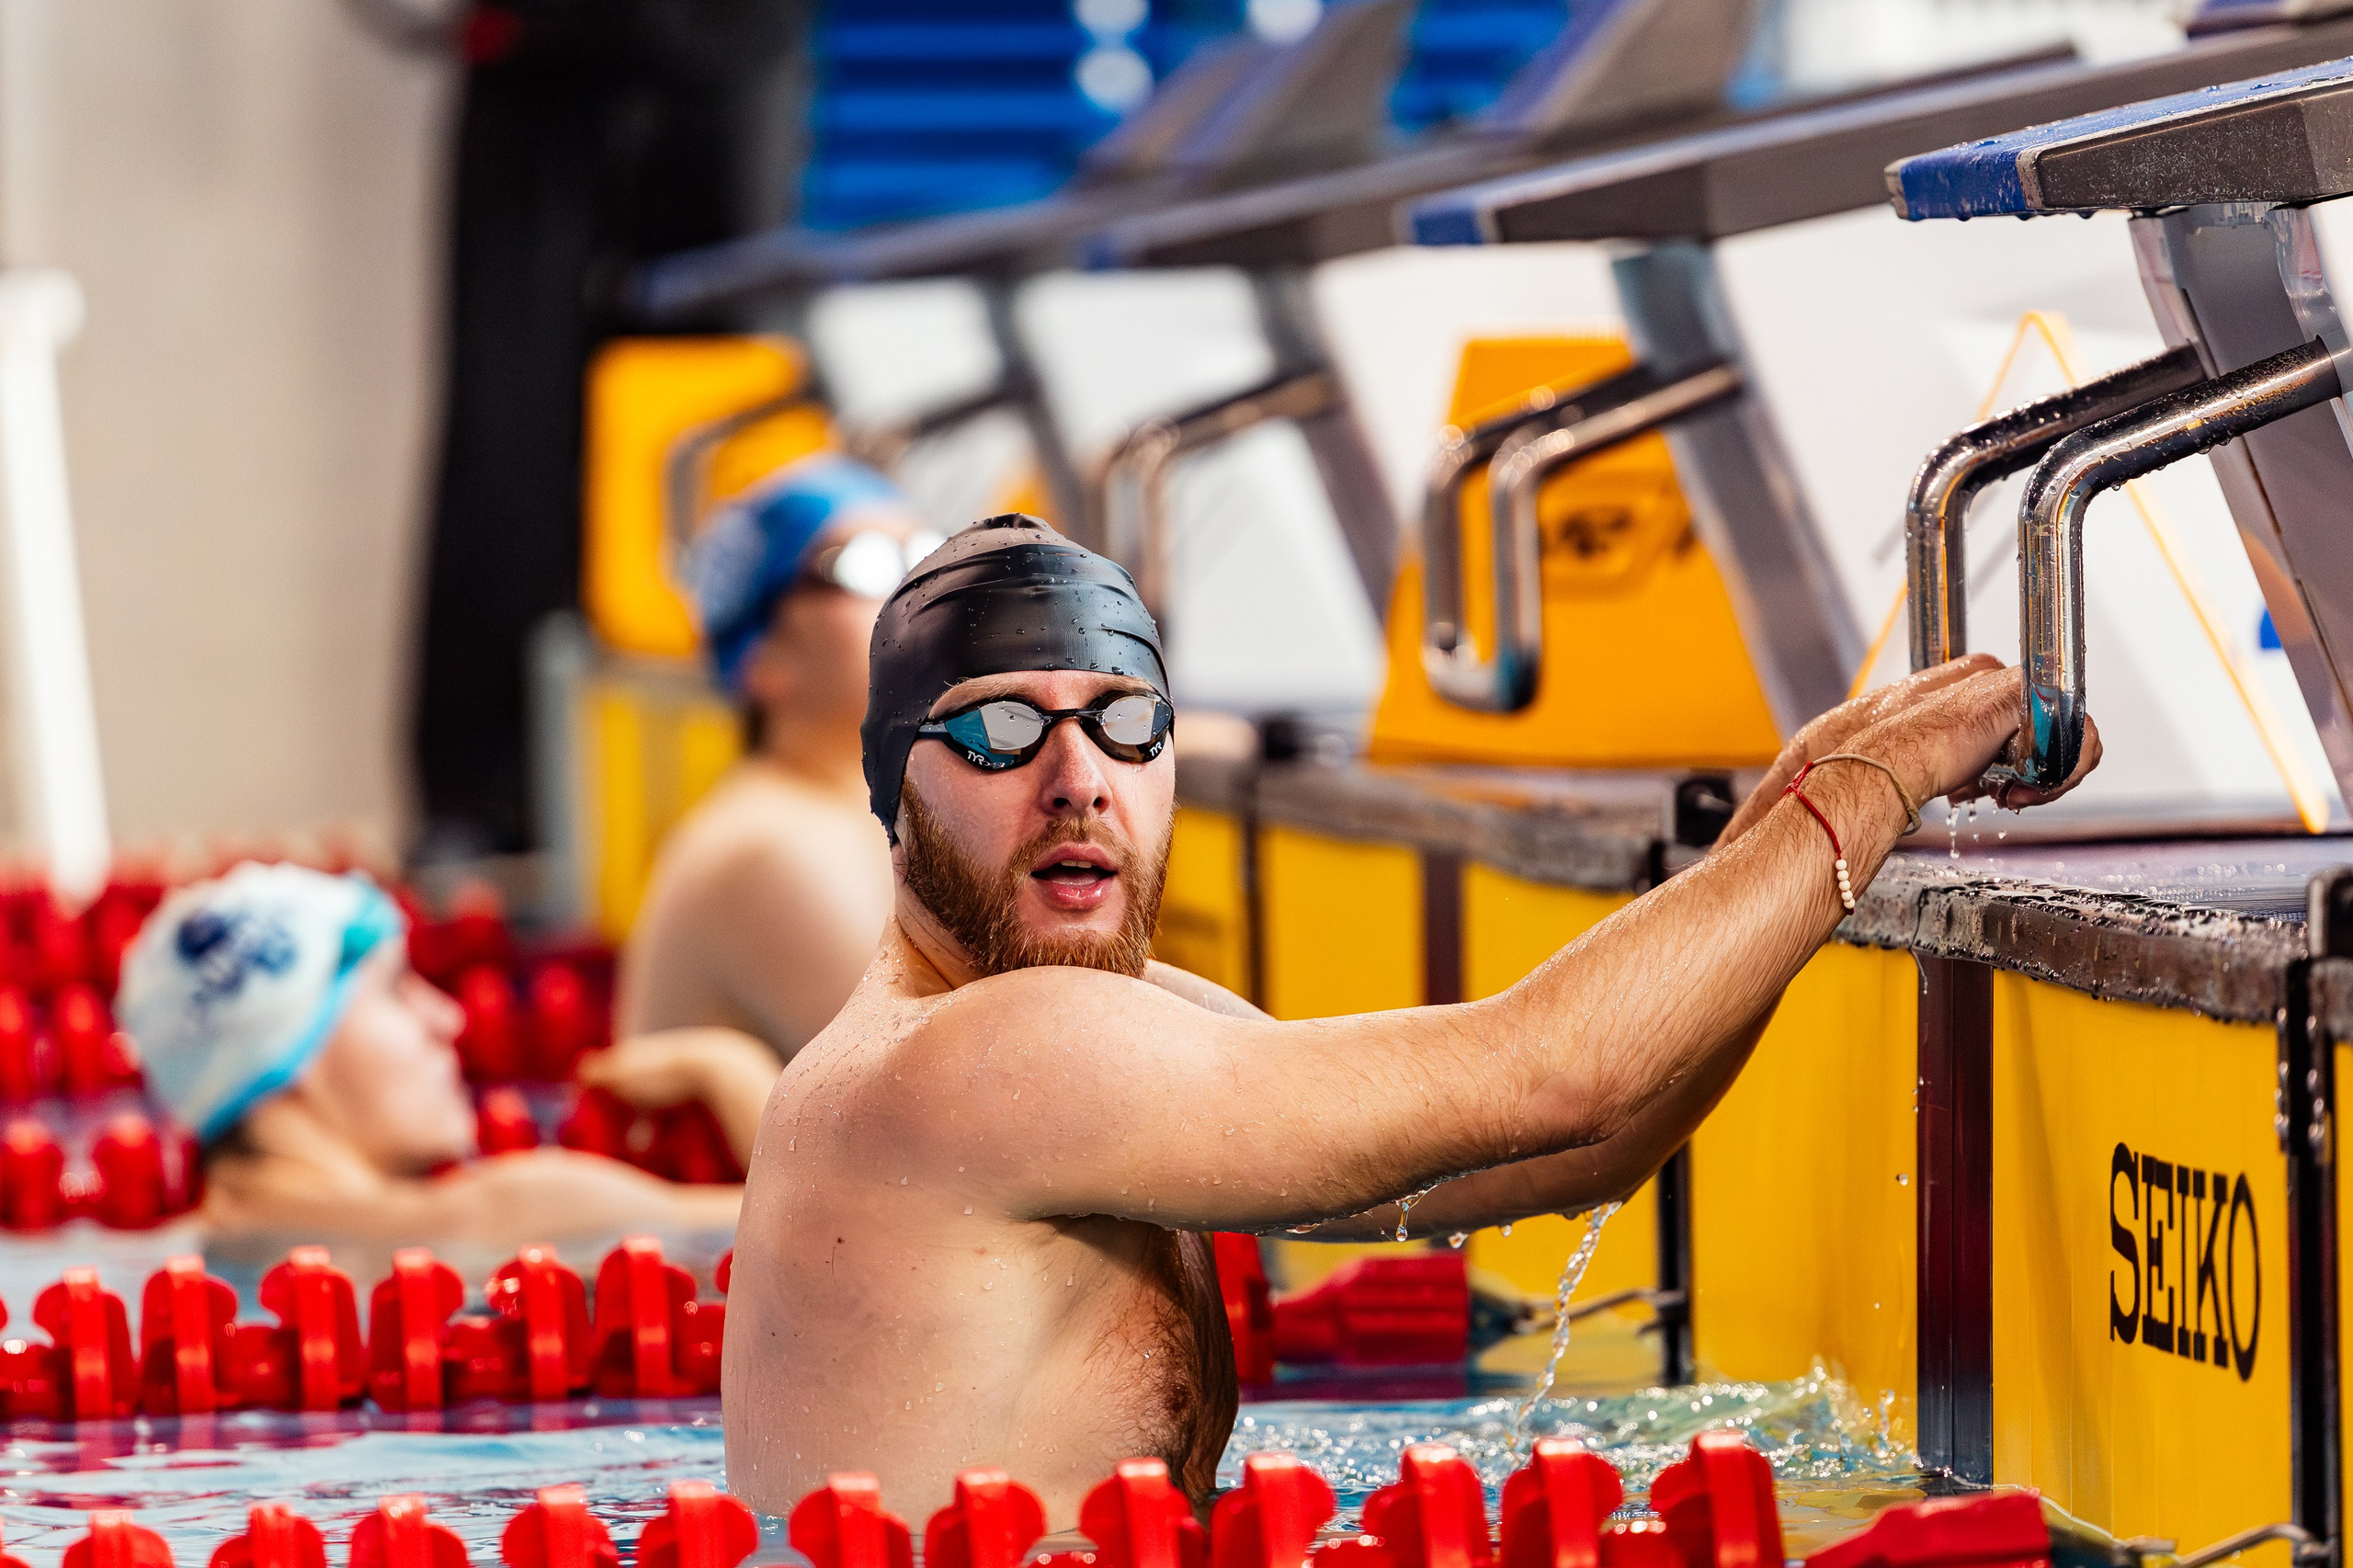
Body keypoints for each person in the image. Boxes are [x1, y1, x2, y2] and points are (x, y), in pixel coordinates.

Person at [722, 515, 2101, 1524]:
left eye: (1125, 722)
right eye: (996, 732)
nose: (1077, 779)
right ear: (891, 785)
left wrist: (1793, 822)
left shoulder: (1096, 1025)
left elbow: (1575, 1147)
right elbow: (1556, 1070)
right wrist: (1877, 780)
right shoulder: (979, 1060)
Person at [119, 861, 742, 1251]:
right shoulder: (509, 1219)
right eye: (395, 989)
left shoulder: (153, 1259)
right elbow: (818, 1238)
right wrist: (732, 1071)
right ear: (290, 1052)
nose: (449, 1016)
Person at [615, 456, 940, 1097]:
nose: (923, 593)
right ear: (765, 659)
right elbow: (958, 1107)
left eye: (929, 558)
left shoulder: (869, 813)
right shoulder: (771, 851)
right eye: (867, 566)